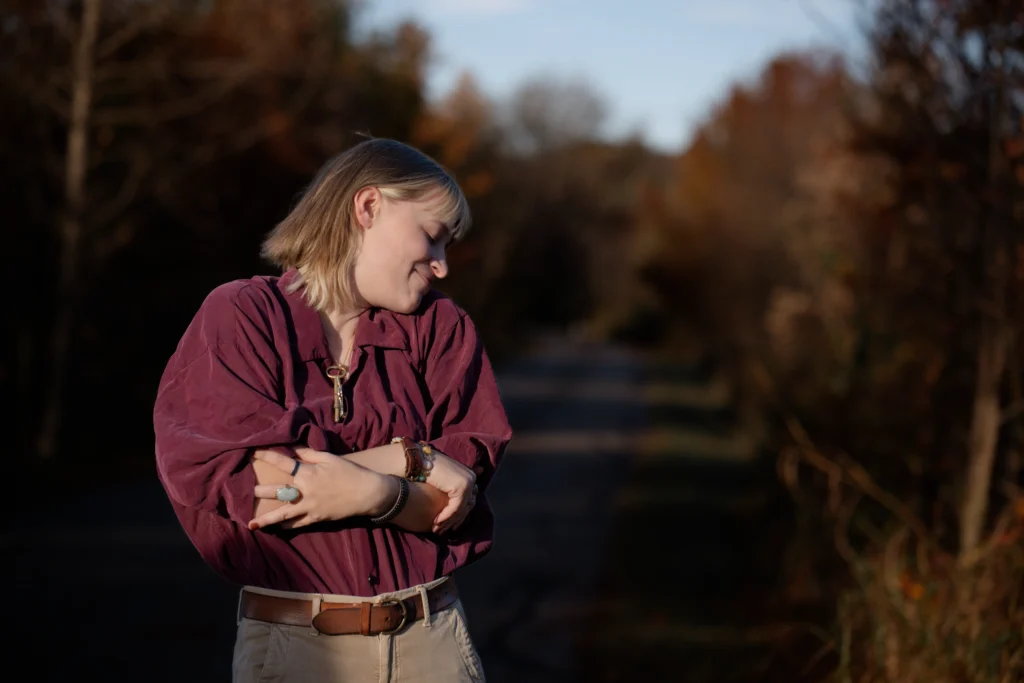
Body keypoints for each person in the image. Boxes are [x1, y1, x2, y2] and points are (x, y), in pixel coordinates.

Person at [153, 138, 513, 682]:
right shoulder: (243, 315)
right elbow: (255, 485)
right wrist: (410, 461)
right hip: (295, 653)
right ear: (368, 208)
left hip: (431, 647)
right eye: (433, 238)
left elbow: (454, 501)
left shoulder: (443, 330)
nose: (441, 267)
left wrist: (373, 492)